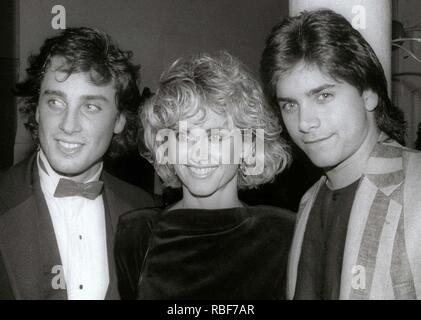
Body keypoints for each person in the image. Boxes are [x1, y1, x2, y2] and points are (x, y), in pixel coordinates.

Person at [261, 9, 421, 300]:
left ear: (369, 93)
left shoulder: (416, 188)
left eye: (323, 96)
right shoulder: (310, 200)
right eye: (289, 105)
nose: (305, 123)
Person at [115, 51, 294, 299]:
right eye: (183, 135)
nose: (198, 154)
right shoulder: (137, 234)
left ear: (247, 143)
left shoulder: (283, 234)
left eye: (215, 136)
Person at [0, 27, 154, 300]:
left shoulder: (146, 212)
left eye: (90, 106)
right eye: (56, 102)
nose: (68, 125)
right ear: (36, 109)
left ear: (119, 120)